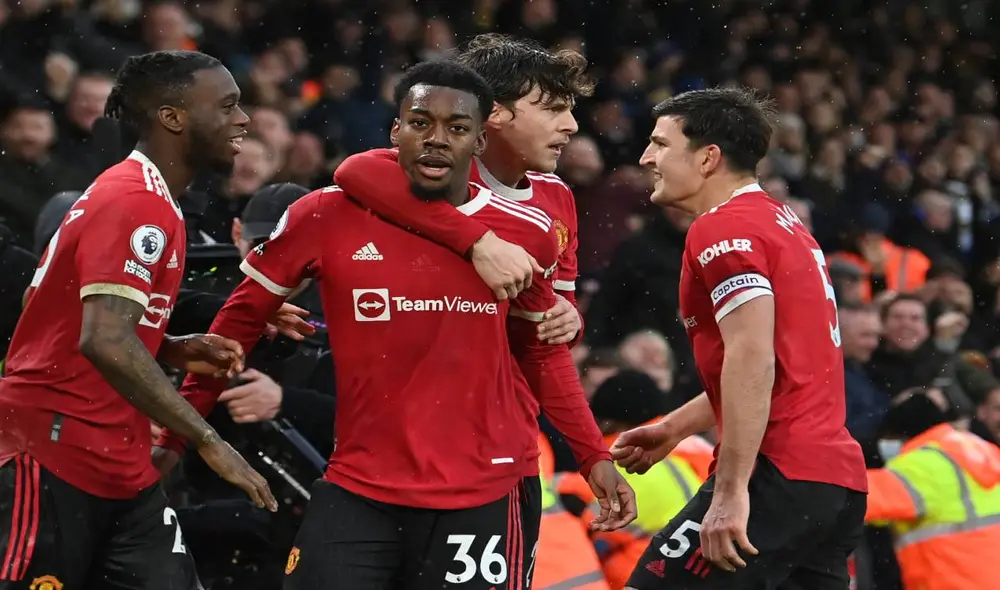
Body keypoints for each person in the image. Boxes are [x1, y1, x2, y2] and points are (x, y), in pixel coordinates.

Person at [154, 60, 634, 589]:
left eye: (456, 128)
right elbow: (235, 326)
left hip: (483, 488)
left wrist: (593, 455)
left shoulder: (526, 230)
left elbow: (543, 352)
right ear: (394, 131)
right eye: (420, 123)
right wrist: (177, 438)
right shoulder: (324, 213)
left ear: (479, 140)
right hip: (360, 486)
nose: (436, 139)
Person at [0, 50, 279, 590]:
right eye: (227, 106)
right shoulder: (135, 202)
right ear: (173, 117)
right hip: (54, 450)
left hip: (117, 459)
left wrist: (168, 344)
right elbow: (104, 339)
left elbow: (73, 317)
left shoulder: (144, 196)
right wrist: (206, 439)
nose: (243, 119)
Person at [611, 87, 868, 589]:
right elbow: (780, 364)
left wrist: (730, 492)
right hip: (832, 482)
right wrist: (674, 427)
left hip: (776, 473)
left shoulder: (722, 228)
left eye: (660, 144)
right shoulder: (784, 224)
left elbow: (752, 359)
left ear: (708, 158)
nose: (646, 158)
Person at [333, 33, 591, 347]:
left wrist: (571, 321)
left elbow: (559, 308)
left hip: (501, 371)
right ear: (494, 113)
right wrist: (479, 241)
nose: (572, 125)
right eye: (554, 109)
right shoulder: (437, 171)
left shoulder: (558, 195)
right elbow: (355, 170)